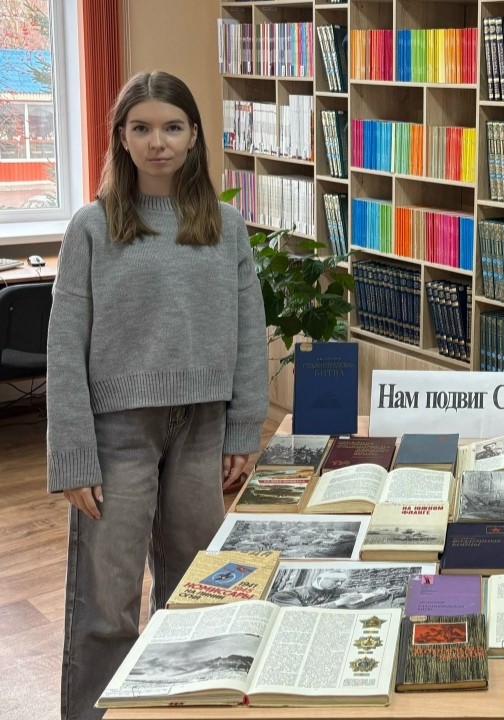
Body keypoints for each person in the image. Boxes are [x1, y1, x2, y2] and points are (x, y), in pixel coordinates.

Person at [49, 71, 268, 720]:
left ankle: (181, 707)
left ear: (194, 135)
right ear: (121, 137)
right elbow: (64, 347)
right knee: (106, 602)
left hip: (202, 428)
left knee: (196, 588)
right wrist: (72, 454)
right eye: (141, 128)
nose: (158, 142)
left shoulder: (226, 226)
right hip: (117, 434)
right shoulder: (92, 227)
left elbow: (248, 332)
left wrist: (244, 427)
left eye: (172, 127)